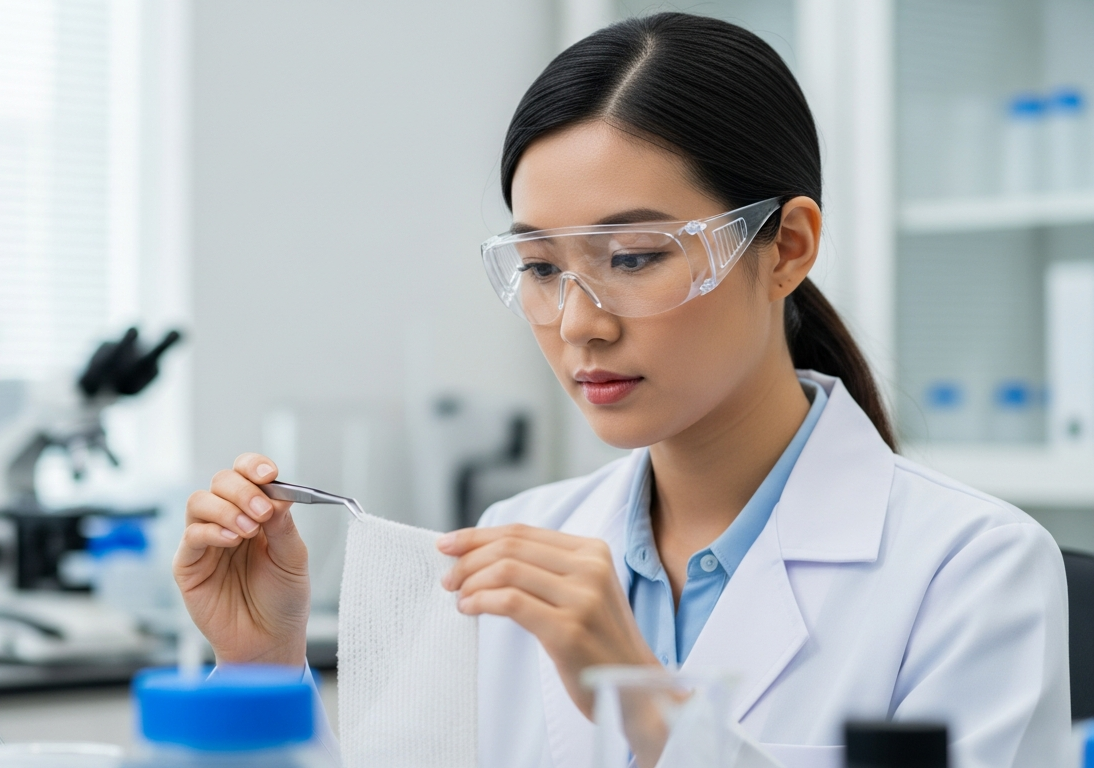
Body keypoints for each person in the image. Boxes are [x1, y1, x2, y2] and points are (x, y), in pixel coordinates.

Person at [173, 12, 1069, 768]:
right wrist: (259, 670)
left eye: (634, 257)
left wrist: (649, 708)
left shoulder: (972, 569)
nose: (577, 324)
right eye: (539, 267)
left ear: (787, 247)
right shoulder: (512, 545)